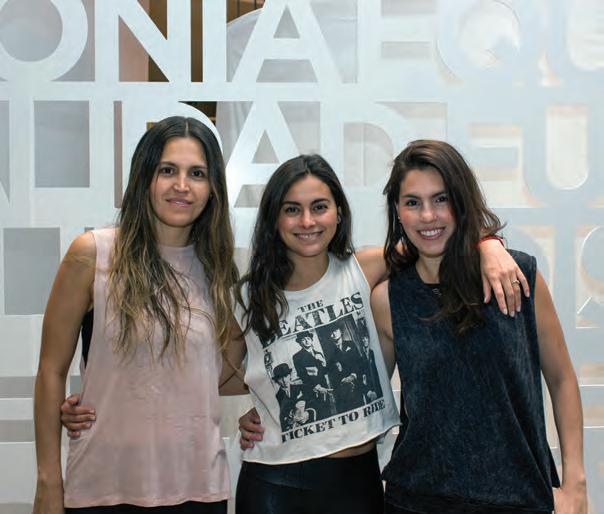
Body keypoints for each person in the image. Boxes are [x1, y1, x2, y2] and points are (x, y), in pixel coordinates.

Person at [62, 153, 526, 514]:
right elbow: (213, 375)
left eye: (319, 207)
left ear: (338, 213)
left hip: (359, 480)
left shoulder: (365, 269)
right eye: (292, 210)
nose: (307, 222)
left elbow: (437, 233)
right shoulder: (245, 297)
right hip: (274, 486)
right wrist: (105, 402)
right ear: (275, 220)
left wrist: (489, 244)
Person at [32, 116, 240, 514]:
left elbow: (219, 373)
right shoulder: (93, 254)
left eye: (197, 173)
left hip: (199, 490)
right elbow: (50, 371)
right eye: (167, 170)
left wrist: (265, 411)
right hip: (104, 489)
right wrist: (48, 482)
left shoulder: (216, 269)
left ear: (213, 187)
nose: (182, 185)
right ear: (144, 177)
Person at [371, 140, 587, 513]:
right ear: (397, 211)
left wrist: (575, 483)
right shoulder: (388, 298)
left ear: (462, 201)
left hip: (518, 496)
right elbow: (371, 406)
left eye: (441, 199)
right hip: (417, 499)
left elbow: (562, 378)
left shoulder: (517, 276)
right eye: (413, 202)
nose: (428, 215)